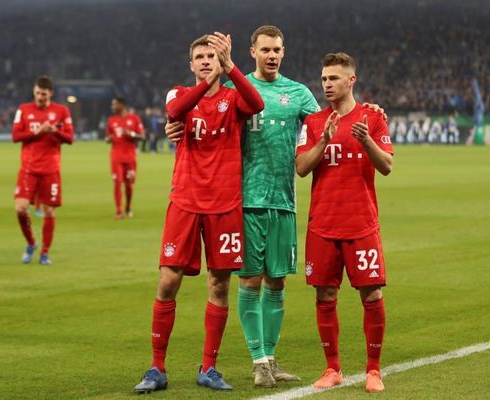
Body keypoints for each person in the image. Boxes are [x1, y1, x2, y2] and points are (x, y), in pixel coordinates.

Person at [165, 25, 385, 388]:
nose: (272, 55)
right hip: (245, 200)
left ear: (283, 52)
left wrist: (368, 108)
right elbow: (198, 113)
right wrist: (172, 127)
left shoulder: (297, 93)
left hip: (284, 200)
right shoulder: (235, 89)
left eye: (277, 50)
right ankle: (258, 361)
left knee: (277, 282)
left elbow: (330, 120)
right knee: (250, 281)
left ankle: (269, 356)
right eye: (265, 49)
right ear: (252, 52)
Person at [134, 32, 264, 394]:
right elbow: (175, 112)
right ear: (191, 64)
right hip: (186, 201)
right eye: (201, 57)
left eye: (212, 56)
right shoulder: (178, 94)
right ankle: (157, 368)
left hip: (225, 204)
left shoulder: (233, 99)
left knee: (219, 285)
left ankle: (209, 368)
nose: (207, 61)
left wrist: (231, 66)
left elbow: (256, 104)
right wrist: (208, 82)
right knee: (168, 282)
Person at [295, 52, 393, 393]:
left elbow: (387, 166)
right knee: (325, 293)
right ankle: (332, 368)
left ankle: (373, 370)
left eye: (333, 78)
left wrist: (366, 141)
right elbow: (301, 168)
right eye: (324, 78)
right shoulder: (313, 123)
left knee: (371, 293)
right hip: (323, 224)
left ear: (351, 80)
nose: (327, 84)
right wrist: (323, 139)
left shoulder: (372, 118)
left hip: (362, 222)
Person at [12, 75, 74, 265]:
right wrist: (37, 131)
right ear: (34, 91)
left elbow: (70, 138)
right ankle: (31, 242)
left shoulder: (61, 111)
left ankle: (45, 253)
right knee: (20, 209)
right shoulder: (23, 109)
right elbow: (15, 136)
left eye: (44, 94)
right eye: (38, 93)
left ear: (51, 94)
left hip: (50, 169)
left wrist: (54, 131)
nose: (40, 97)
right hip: (28, 169)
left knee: (49, 212)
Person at [105, 97, 145, 219]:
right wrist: (109, 139)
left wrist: (130, 134)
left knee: (128, 185)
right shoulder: (111, 120)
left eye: (114, 104)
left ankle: (128, 207)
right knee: (117, 183)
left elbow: (142, 136)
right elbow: (107, 137)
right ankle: (118, 210)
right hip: (116, 157)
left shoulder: (134, 119)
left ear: (122, 105)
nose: (112, 107)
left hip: (130, 158)